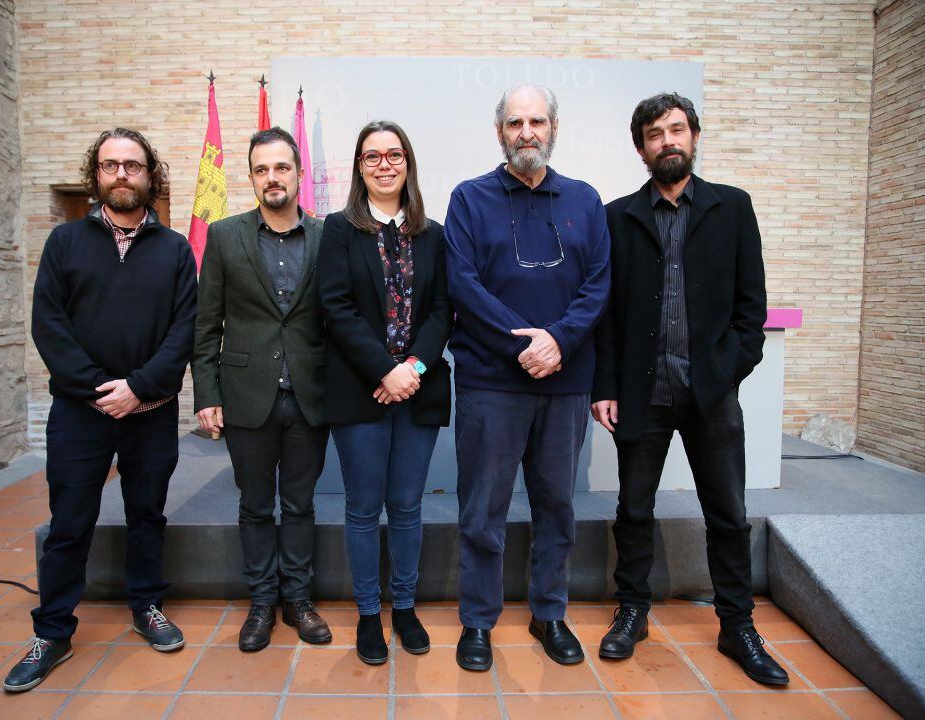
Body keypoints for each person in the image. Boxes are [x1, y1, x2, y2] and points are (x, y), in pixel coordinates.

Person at [592, 92, 788, 685]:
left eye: (677, 130)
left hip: (712, 395)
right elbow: (605, 314)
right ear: (641, 148)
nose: (667, 141)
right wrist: (603, 385)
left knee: (728, 514)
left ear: (695, 137)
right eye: (655, 134)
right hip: (641, 393)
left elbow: (750, 314)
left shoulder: (733, 209)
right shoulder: (616, 217)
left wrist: (723, 374)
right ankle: (633, 611)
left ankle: (737, 625)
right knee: (633, 509)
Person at [5, 128, 196, 693]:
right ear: (96, 176)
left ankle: (146, 606)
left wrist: (138, 388)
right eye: (110, 165)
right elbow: (50, 326)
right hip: (79, 413)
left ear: (149, 176)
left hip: (152, 408)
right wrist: (98, 389)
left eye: (132, 166)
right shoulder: (65, 243)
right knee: (69, 523)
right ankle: (53, 631)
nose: (121, 174)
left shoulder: (176, 249)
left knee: (147, 513)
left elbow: (184, 330)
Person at [444, 84, 610, 671]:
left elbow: (599, 287)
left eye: (536, 120)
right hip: (492, 382)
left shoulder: (586, 201)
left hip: (565, 383)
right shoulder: (468, 199)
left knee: (556, 508)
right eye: (515, 122)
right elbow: (464, 285)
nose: (526, 132)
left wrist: (559, 340)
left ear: (554, 126)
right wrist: (528, 342)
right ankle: (478, 622)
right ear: (500, 133)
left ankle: (549, 613)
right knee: (482, 510)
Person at [191, 127, 331, 652]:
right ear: (251, 177)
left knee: (299, 505)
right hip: (245, 396)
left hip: (309, 397)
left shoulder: (325, 236)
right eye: (261, 169)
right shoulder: (225, 237)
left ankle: (298, 599)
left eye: (281, 168)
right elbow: (206, 326)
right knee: (254, 505)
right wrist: (207, 394)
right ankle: (261, 603)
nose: (272, 178)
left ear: (298, 174)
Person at [317, 121, 452, 665]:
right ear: (359, 167)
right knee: (362, 508)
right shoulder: (338, 230)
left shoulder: (434, 234)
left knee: (407, 507)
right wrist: (384, 371)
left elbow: (443, 307)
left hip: (418, 389)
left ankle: (405, 606)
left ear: (408, 163)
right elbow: (336, 308)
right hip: (360, 392)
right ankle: (369, 613)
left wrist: (413, 367)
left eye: (394, 155)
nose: (384, 164)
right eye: (372, 156)